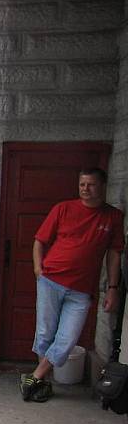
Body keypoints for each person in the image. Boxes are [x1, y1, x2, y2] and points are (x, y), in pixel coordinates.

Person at [21, 168, 124, 403]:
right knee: (45, 333)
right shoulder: (64, 208)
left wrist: (112, 288)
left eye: (91, 185)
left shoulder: (113, 217)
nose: (86, 189)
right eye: (82, 185)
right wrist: (38, 269)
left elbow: (114, 254)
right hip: (51, 280)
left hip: (82, 289)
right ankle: (42, 383)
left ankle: (35, 376)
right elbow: (39, 240)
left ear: (103, 186)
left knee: (67, 339)